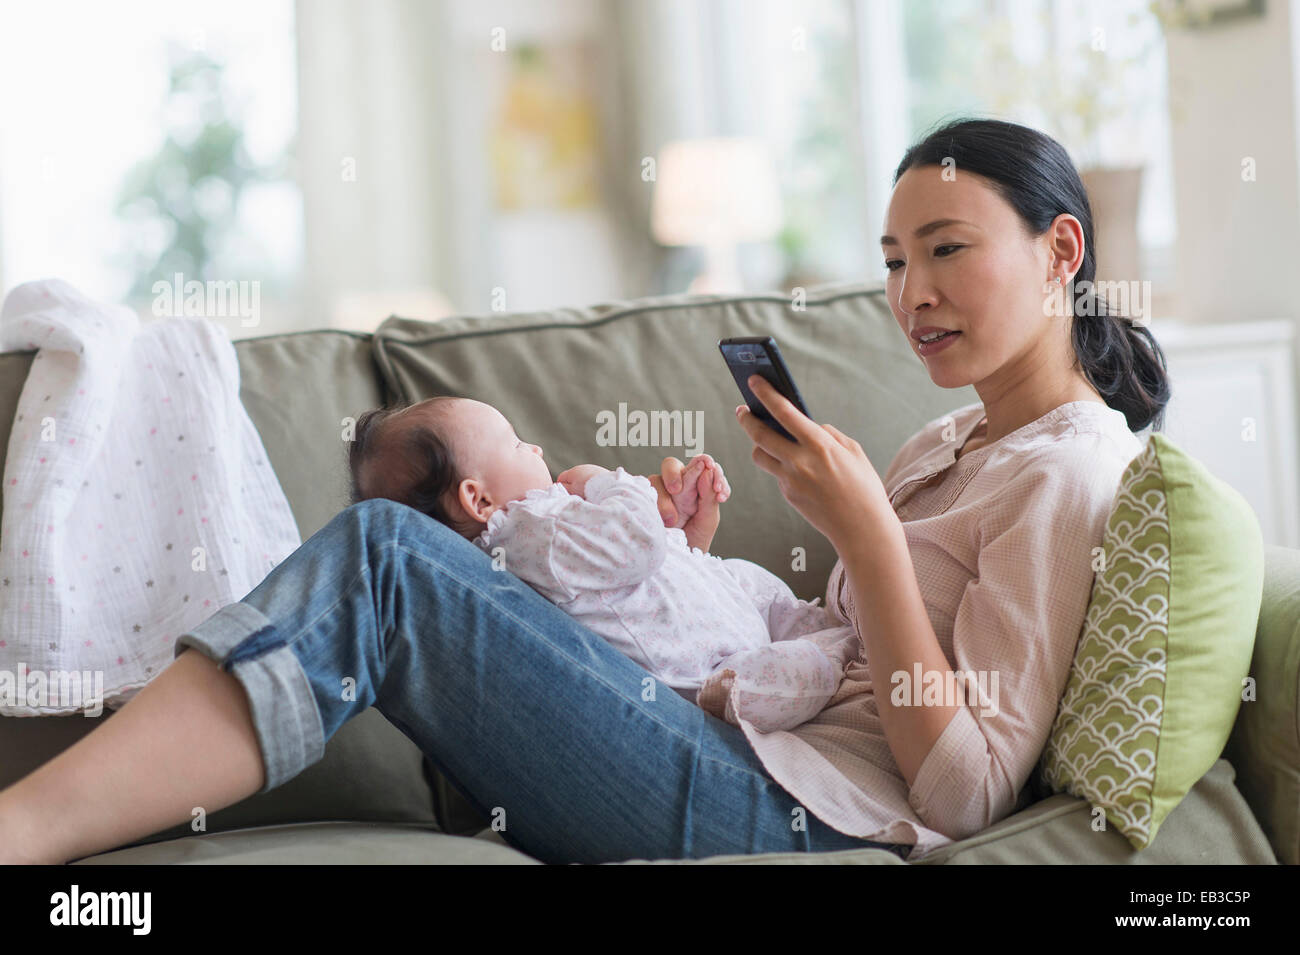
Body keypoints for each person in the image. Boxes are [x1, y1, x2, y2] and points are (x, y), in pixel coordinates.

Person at [0, 117, 1169, 865]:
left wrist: (863, 536)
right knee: (420, 560)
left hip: (798, 815)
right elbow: (827, 647)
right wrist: (687, 554)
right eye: (892, 259)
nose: (911, 291)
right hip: (749, 741)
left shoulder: (1070, 473)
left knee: (385, 559)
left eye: (945, 248)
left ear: (1062, 250)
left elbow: (964, 794)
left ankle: (24, 833)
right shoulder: (947, 439)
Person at [346, 394, 862, 733]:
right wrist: (609, 482)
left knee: (744, 578)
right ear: (478, 501)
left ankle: (829, 634)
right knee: (803, 667)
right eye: (515, 443)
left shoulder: (542, 531)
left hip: (710, 640)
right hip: (714, 676)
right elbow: (636, 547)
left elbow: (640, 584)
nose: (537, 447)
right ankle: (842, 645)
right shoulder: (531, 532)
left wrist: (684, 535)